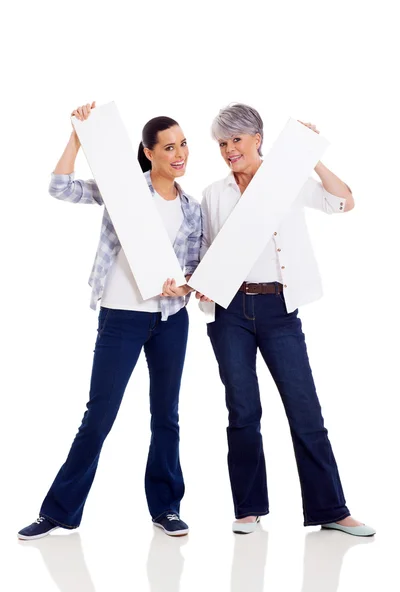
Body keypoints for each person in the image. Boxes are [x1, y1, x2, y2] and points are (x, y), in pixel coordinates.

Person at [18, 102, 201, 540]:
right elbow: (61, 187)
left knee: (166, 415)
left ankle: (166, 508)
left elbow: (196, 267)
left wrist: (186, 286)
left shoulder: (193, 208)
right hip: (122, 317)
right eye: (170, 147)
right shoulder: (124, 189)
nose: (180, 154)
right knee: (99, 415)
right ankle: (58, 511)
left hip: (170, 319)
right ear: (149, 152)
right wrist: (79, 138)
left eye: (184, 145)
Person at [196, 103, 375, 537]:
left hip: (280, 310)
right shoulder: (214, 193)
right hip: (229, 312)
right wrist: (198, 280)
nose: (229, 150)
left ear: (258, 138)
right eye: (222, 143)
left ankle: (331, 509)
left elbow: (343, 201)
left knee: (305, 410)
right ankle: (248, 508)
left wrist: (309, 153)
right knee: (242, 411)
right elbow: (202, 249)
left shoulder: (287, 181)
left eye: (236, 140)